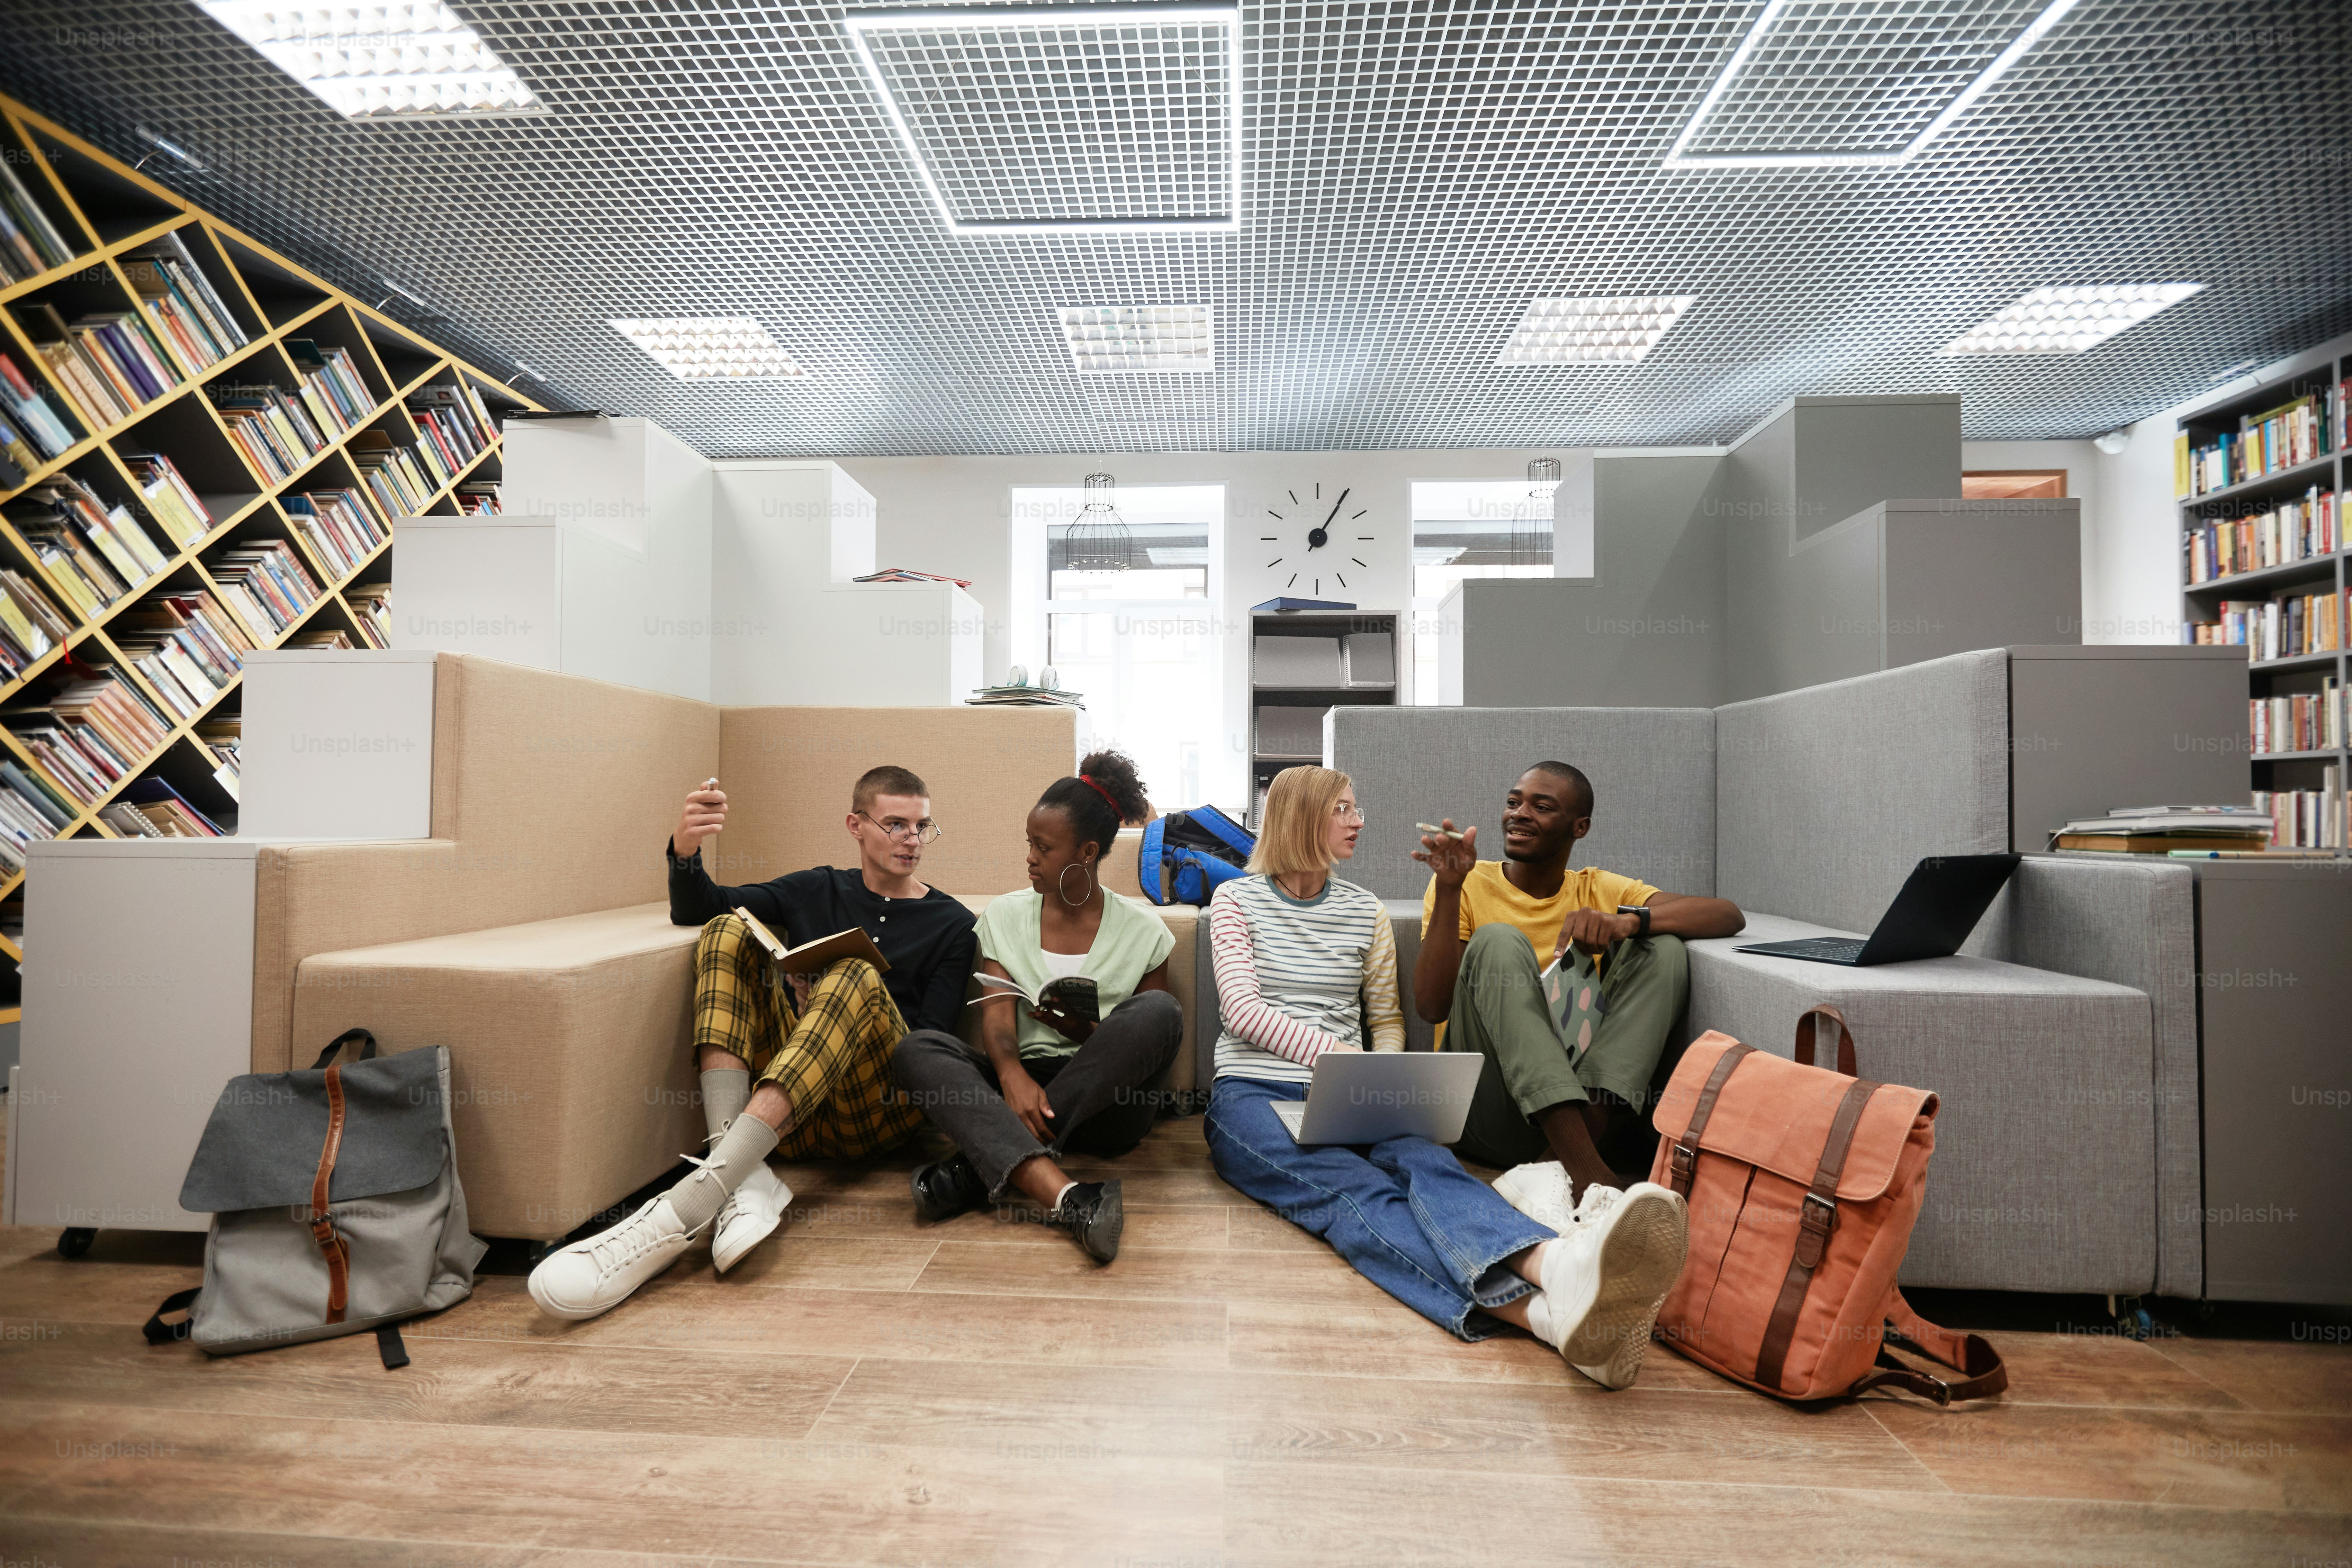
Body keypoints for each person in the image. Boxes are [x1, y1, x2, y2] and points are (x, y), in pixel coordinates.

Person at [1203, 765, 1688, 1388]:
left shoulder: (1364, 910)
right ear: (1303, 817)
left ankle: (1553, 1264)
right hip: (1255, 1090)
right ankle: (1541, 1314)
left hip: (1357, 1090)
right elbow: (1243, 1011)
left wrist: (1385, 1081)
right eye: (1345, 810)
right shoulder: (1235, 901)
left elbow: (1386, 1017)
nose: (1359, 821)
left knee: (1432, 1167)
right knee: (1357, 1193)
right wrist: (1347, 1062)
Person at [528, 764, 979, 1320]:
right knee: (727, 929)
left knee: (854, 974)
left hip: (878, 1113)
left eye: (922, 826)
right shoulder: (817, 887)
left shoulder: (953, 923)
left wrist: (836, 1006)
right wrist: (686, 850)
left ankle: (682, 1211)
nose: (912, 840)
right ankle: (737, 1169)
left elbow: (929, 1053)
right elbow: (699, 909)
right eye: (895, 824)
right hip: (786, 1119)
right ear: (855, 826)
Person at [1413, 761, 1745, 1233]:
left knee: (1663, 947)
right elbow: (1431, 1007)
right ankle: (1591, 1178)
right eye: (1513, 803)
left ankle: (1558, 1164)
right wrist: (1449, 890)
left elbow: (1727, 916)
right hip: (1486, 1113)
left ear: (1579, 826)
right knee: (1499, 942)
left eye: (1541, 807)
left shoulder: (1599, 888)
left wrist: (1627, 922)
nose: (1519, 814)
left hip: (1592, 1117)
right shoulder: (1467, 883)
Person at [890, 750, 1181, 1262]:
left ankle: (972, 1167)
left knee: (1162, 1011)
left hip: (1105, 1108)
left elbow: (1146, 1048)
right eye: (1030, 843)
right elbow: (998, 1020)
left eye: (1044, 848)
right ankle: (1069, 1199)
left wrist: (1086, 1030)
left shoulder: (1144, 931)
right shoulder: (1005, 916)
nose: (1030, 857)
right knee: (917, 1049)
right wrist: (1011, 1075)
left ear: (1087, 852)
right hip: (1018, 1090)